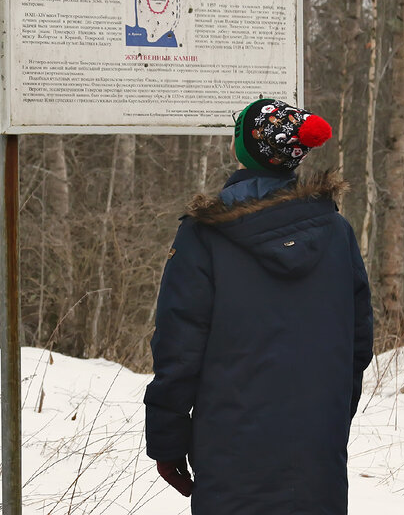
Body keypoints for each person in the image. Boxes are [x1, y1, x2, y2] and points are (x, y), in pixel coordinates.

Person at [144, 98, 374, 514]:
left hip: (230, 451)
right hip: (316, 453)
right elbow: (357, 347)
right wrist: (329, 420)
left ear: (245, 150)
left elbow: (178, 350)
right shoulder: (337, 232)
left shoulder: (205, 236)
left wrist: (167, 441)